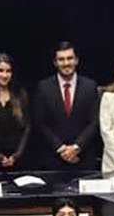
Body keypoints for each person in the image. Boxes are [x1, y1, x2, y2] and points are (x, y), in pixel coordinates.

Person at [32, 40, 100, 172]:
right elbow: (39, 123)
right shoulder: (43, 87)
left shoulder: (90, 86)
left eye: (70, 58)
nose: (66, 63)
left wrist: (76, 147)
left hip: (83, 158)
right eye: (61, 59)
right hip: (53, 159)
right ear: (55, 62)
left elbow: (95, 121)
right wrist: (61, 148)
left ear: (76, 60)